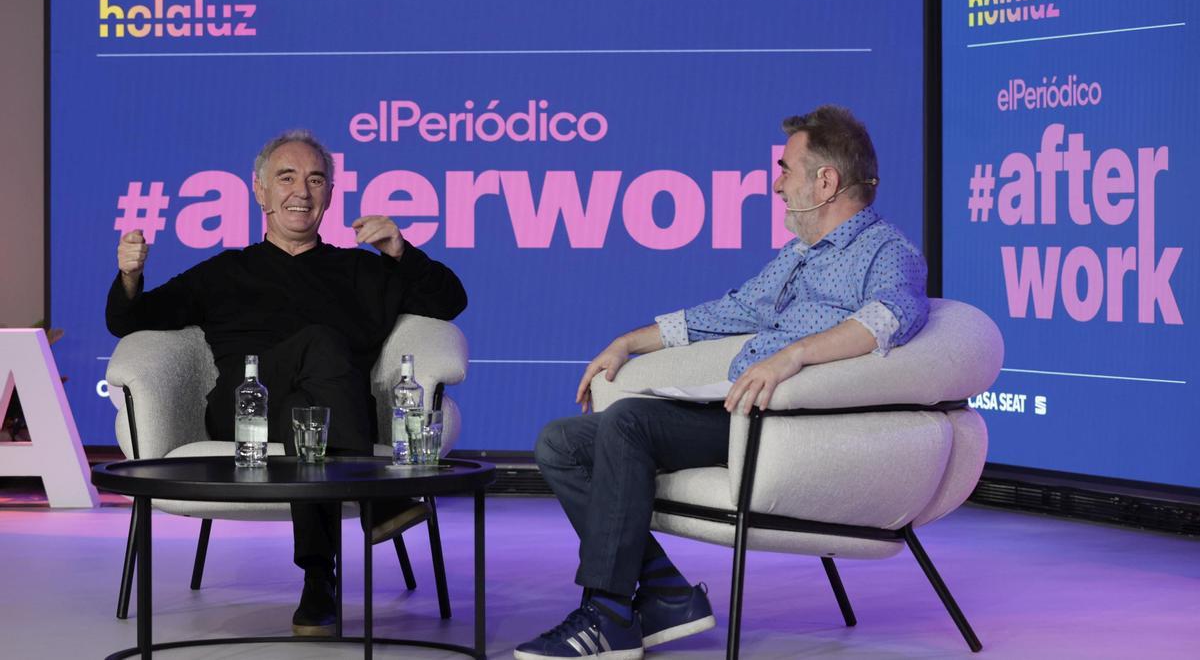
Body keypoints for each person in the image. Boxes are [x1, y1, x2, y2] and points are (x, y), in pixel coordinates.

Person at [516, 105, 930, 659]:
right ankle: (664, 593)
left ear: (826, 181)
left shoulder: (887, 252)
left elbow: (892, 317)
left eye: (786, 168)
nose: (776, 183)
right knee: (560, 443)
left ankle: (609, 614)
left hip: (784, 428)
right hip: (737, 415)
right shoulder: (800, 257)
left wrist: (792, 357)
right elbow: (730, 311)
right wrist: (627, 342)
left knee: (629, 423)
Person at [105, 129, 467, 636]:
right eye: (287, 177)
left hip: (329, 414)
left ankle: (319, 583)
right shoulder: (225, 271)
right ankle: (376, 498)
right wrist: (128, 276)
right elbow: (131, 319)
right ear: (260, 191)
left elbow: (449, 302)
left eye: (315, 179)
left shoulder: (361, 270)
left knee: (309, 410)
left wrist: (399, 249)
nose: (302, 191)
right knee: (319, 342)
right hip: (243, 407)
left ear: (330, 195)